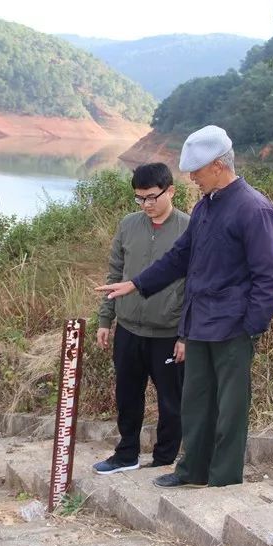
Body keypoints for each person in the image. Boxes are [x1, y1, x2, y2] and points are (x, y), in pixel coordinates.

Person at [95, 125, 273, 488]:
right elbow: (180, 257)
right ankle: (191, 471)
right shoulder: (205, 207)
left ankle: (223, 479)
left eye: (196, 172)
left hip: (233, 328)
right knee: (195, 403)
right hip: (199, 324)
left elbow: (270, 277)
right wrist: (136, 283)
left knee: (230, 408)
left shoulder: (254, 208)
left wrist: (251, 327)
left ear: (217, 165)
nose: (192, 179)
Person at [92, 163, 190, 475]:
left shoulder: (188, 229)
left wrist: (185, 335)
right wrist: (105, 319)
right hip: (128, 329)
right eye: (139, 198)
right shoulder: (128, 225)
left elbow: (196, 286)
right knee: (127, 396)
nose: (146, 205)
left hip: (168, 332)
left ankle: (164, 460)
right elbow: (115, 274)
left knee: (171, 401)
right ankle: (126, 455)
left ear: (171, 191)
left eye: (151, 197)